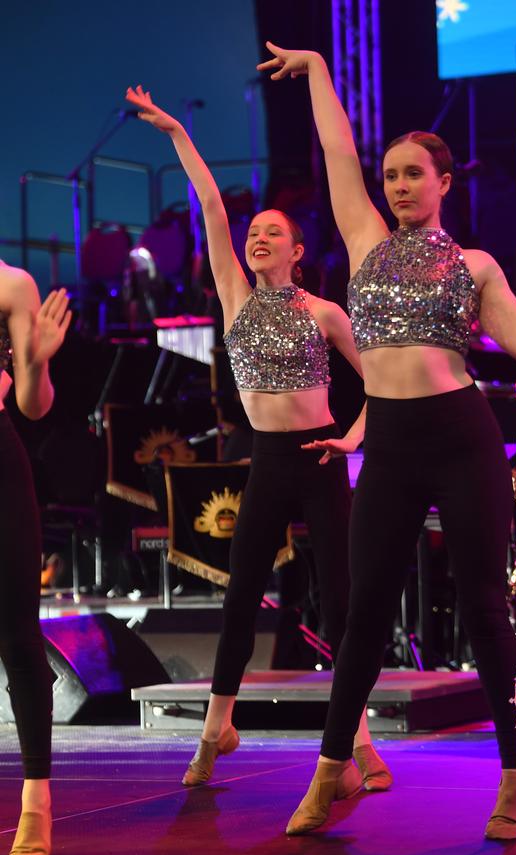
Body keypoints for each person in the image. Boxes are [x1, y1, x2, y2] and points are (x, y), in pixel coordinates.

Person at [257, 43, 516, 839]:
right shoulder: (363, 241)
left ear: (444, 182)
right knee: (361, 616)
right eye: (390, 175)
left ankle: (515, 777)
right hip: (387, 445)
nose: (396, 186)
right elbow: (334, 149)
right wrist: (320, 67)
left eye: (412, 173)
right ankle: (329, 772)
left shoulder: (477, 265)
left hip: (461, 438)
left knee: (488, 609)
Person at [125, 85, 391, 794]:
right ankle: (218, 725)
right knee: (243, 593)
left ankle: (356, 736)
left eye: (273, 230)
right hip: (268, 461)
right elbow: (211, 203)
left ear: (298, 250)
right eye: (255, 231)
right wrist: (179, 127)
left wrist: (355, 437)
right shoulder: (235, 297)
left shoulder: (327, 312)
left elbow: (381, 382)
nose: (258, 235)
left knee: (338, 599)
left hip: (320, 456)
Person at [0, 265, 71, 855]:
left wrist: (38, 362)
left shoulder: (12, 285)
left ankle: (35, 804)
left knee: (17, 635)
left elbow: (32, 405)